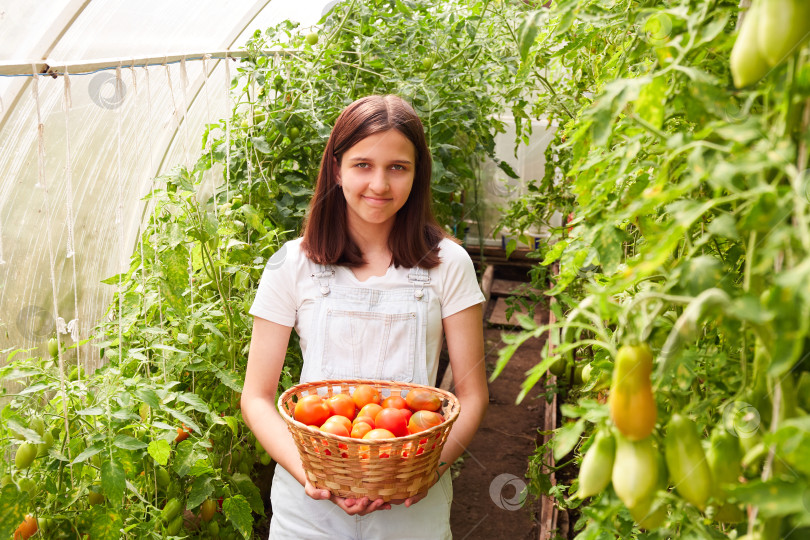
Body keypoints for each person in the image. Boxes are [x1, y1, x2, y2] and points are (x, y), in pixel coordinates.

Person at [241, 94, 488, 539]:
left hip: (413, 508)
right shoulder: (292, 264)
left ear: (417, 174)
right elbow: (256, 397)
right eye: (362, 165)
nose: (379, 184)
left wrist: (429, 471)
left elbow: (472, 395)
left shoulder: (448, 264)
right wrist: (310, 474)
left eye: (398, 167)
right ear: (336, 169)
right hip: (309, 510)